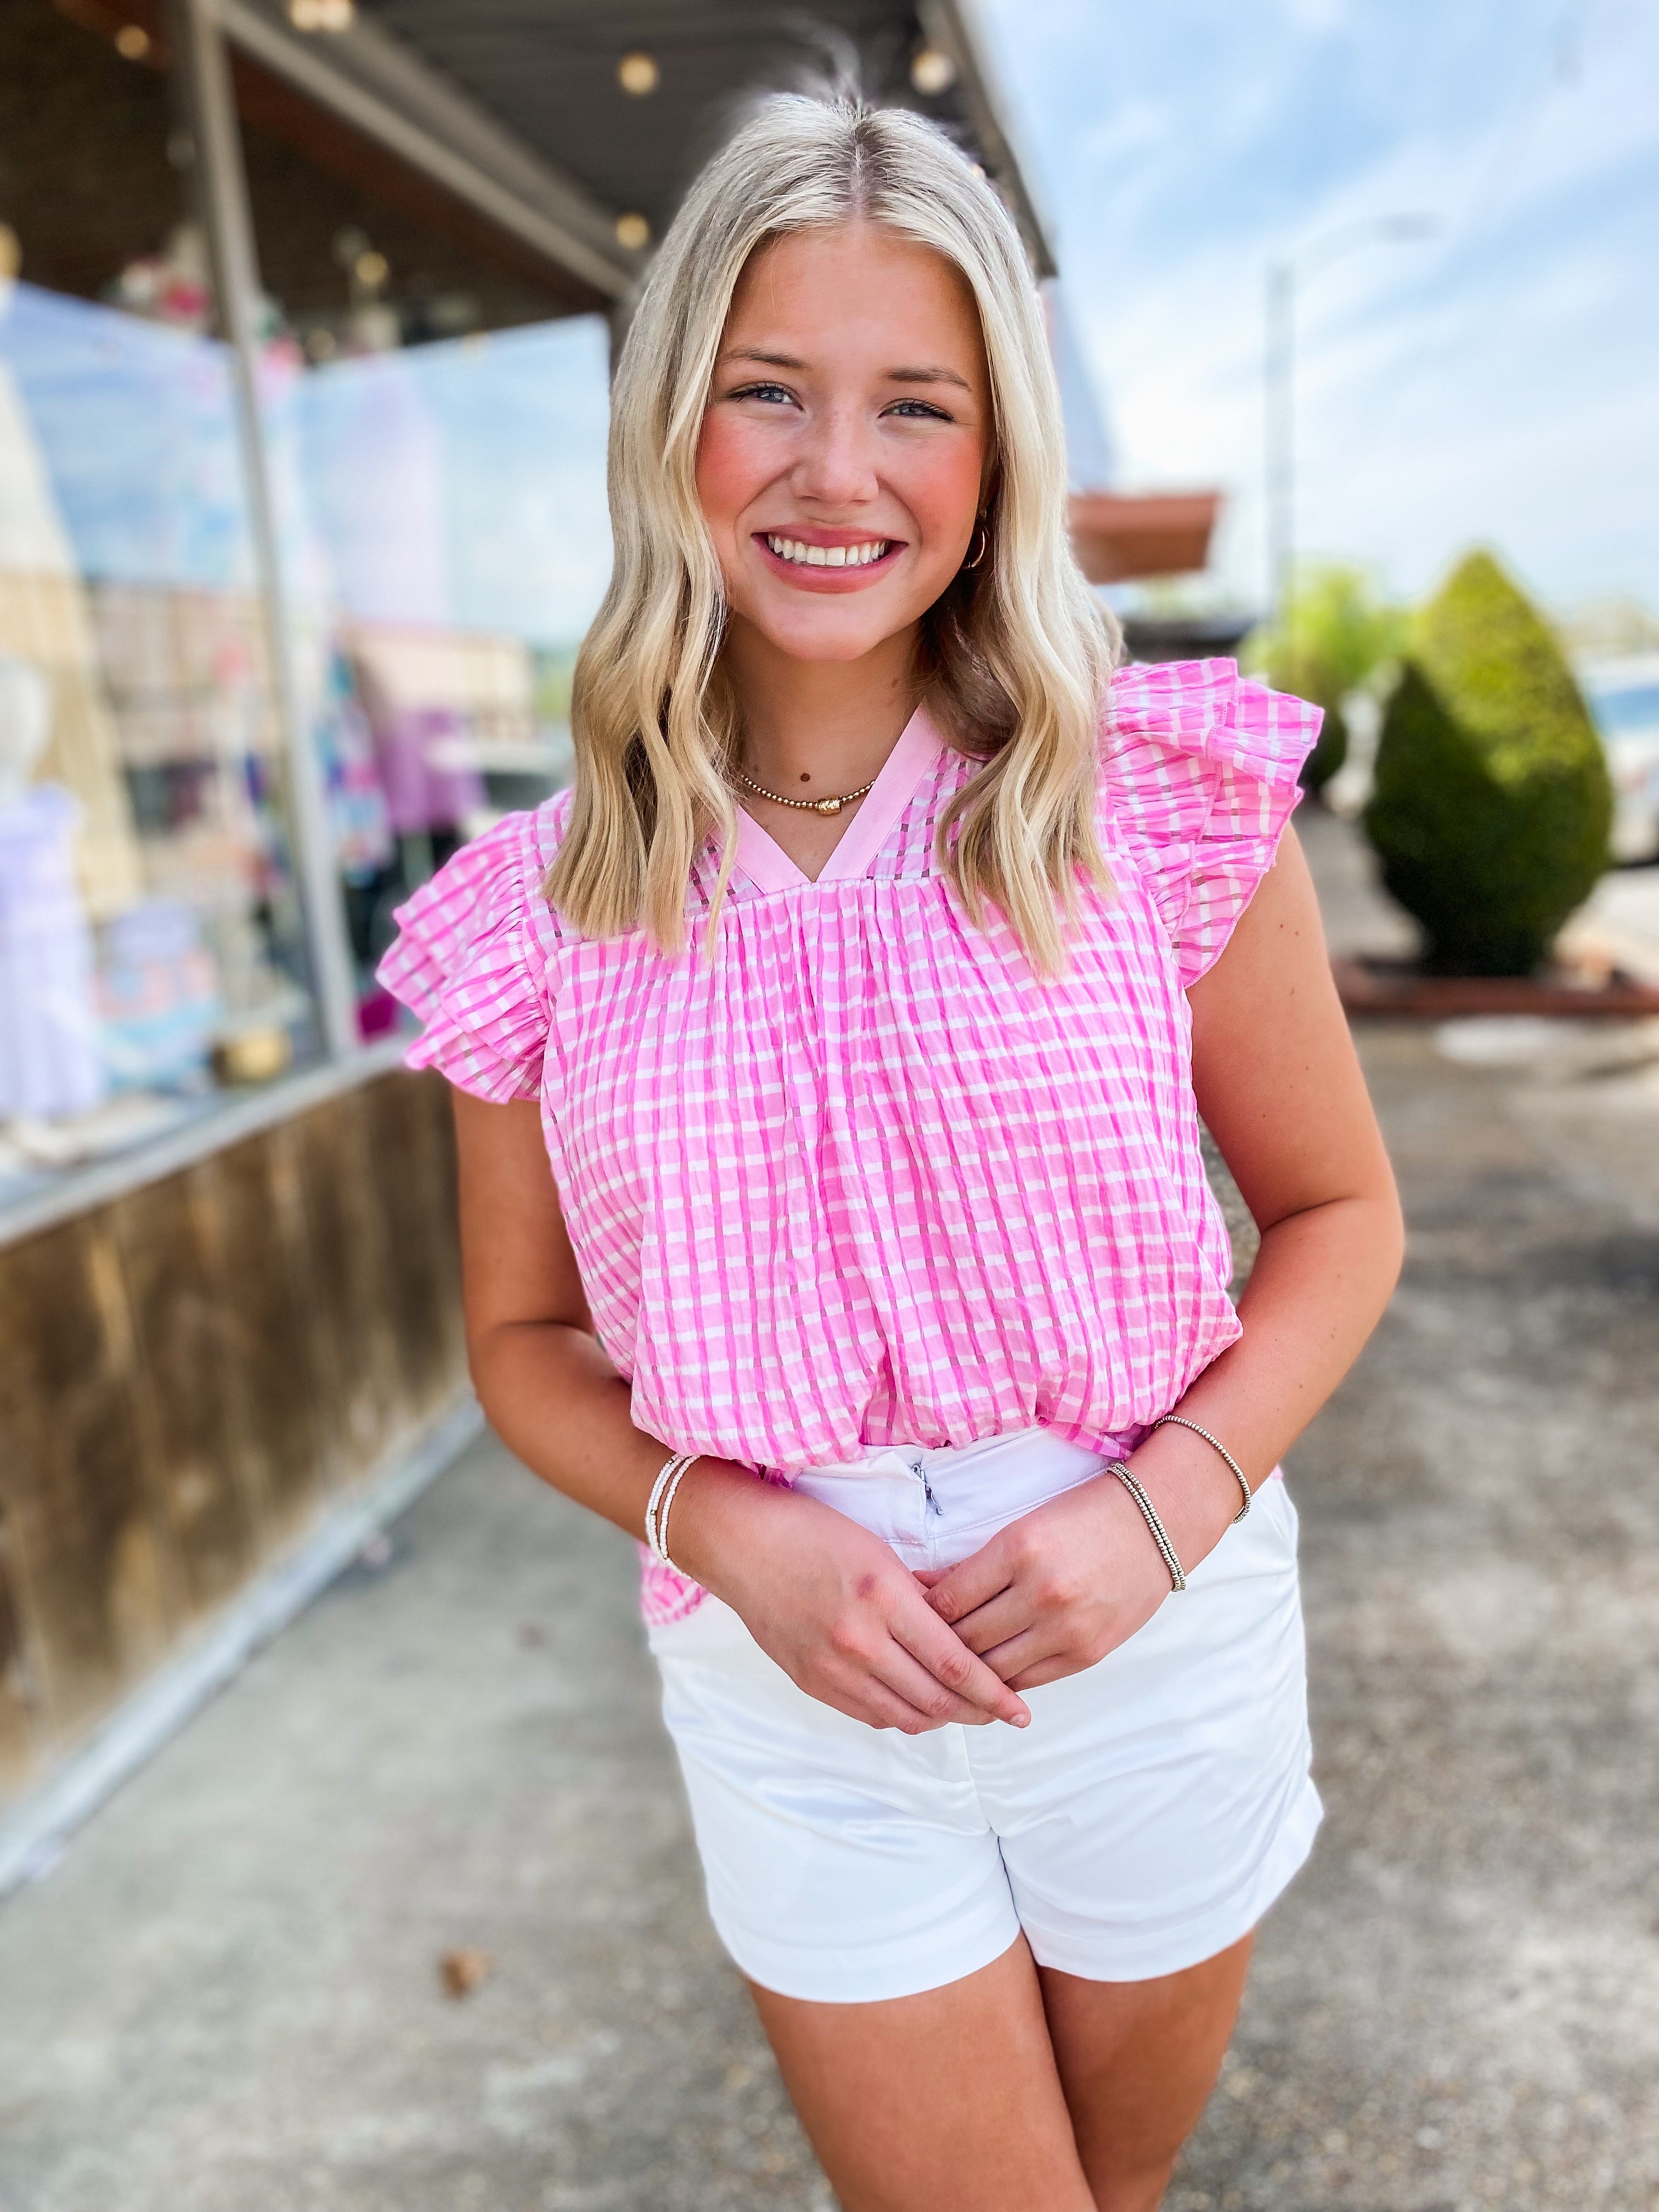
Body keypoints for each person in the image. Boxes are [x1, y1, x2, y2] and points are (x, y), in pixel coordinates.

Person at [379, 93, 1403, 2212]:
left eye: (914, 406)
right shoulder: (537, 905)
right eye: (771, 391)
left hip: (1154, 1621)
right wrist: (733, 1536)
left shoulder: (1149, 798)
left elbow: (1338, 1214)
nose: (838, 474)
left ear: (994, 453)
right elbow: (520, 1340)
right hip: (788, 1679)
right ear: (677, 422)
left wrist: (1160, 1516)